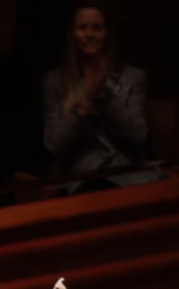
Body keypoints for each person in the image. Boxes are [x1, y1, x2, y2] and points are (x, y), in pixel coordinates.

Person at [41, 3, 147, 180]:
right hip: (78, 179)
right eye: (83, 28)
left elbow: (138, 136)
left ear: (106, 34)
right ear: (72, 34)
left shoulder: (133, 77)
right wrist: (82, 105)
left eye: (96, 28)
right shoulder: (54, 82)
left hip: (127, 176)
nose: (89, 34)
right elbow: (53, 143)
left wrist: (106, 94)